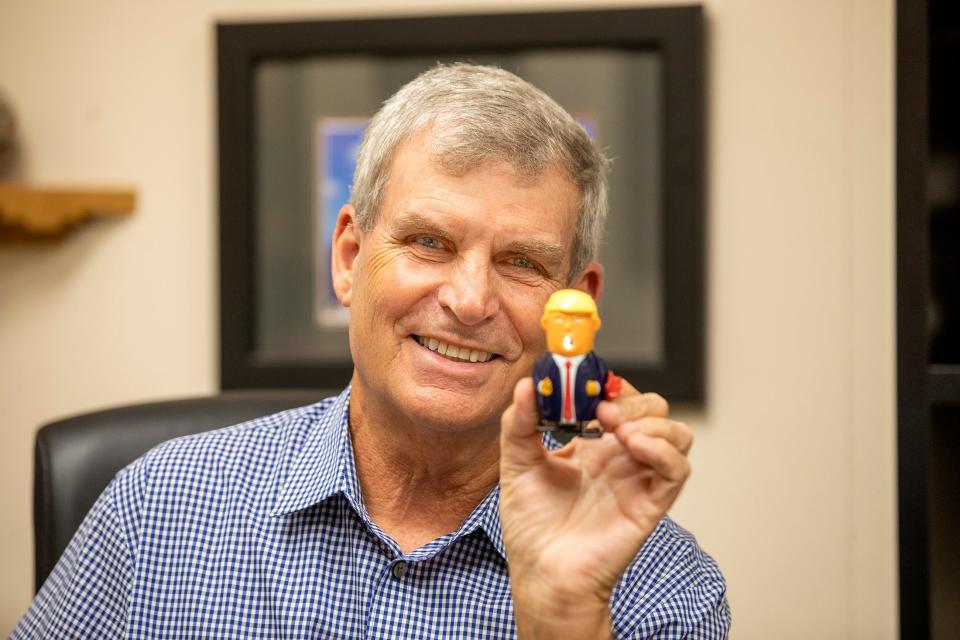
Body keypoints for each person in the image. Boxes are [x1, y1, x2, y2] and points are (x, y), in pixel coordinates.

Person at [14, 63, 730, 638]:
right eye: (429, 243)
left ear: (578, 304)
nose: (471, 299)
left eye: (522, 262)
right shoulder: (158, 513)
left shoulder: (662, 592)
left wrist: (565, 617)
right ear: (350, 257)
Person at [533, 288, 621, 439]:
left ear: (594, 325)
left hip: (586, 422)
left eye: (578, 319)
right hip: (552, 422)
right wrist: (542, 387)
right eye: (560, 319)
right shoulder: (543, 365)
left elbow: (604, 384)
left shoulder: (595, 365)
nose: (568, 327)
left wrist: (598, 387)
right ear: (546, 323)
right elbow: (538, 381)